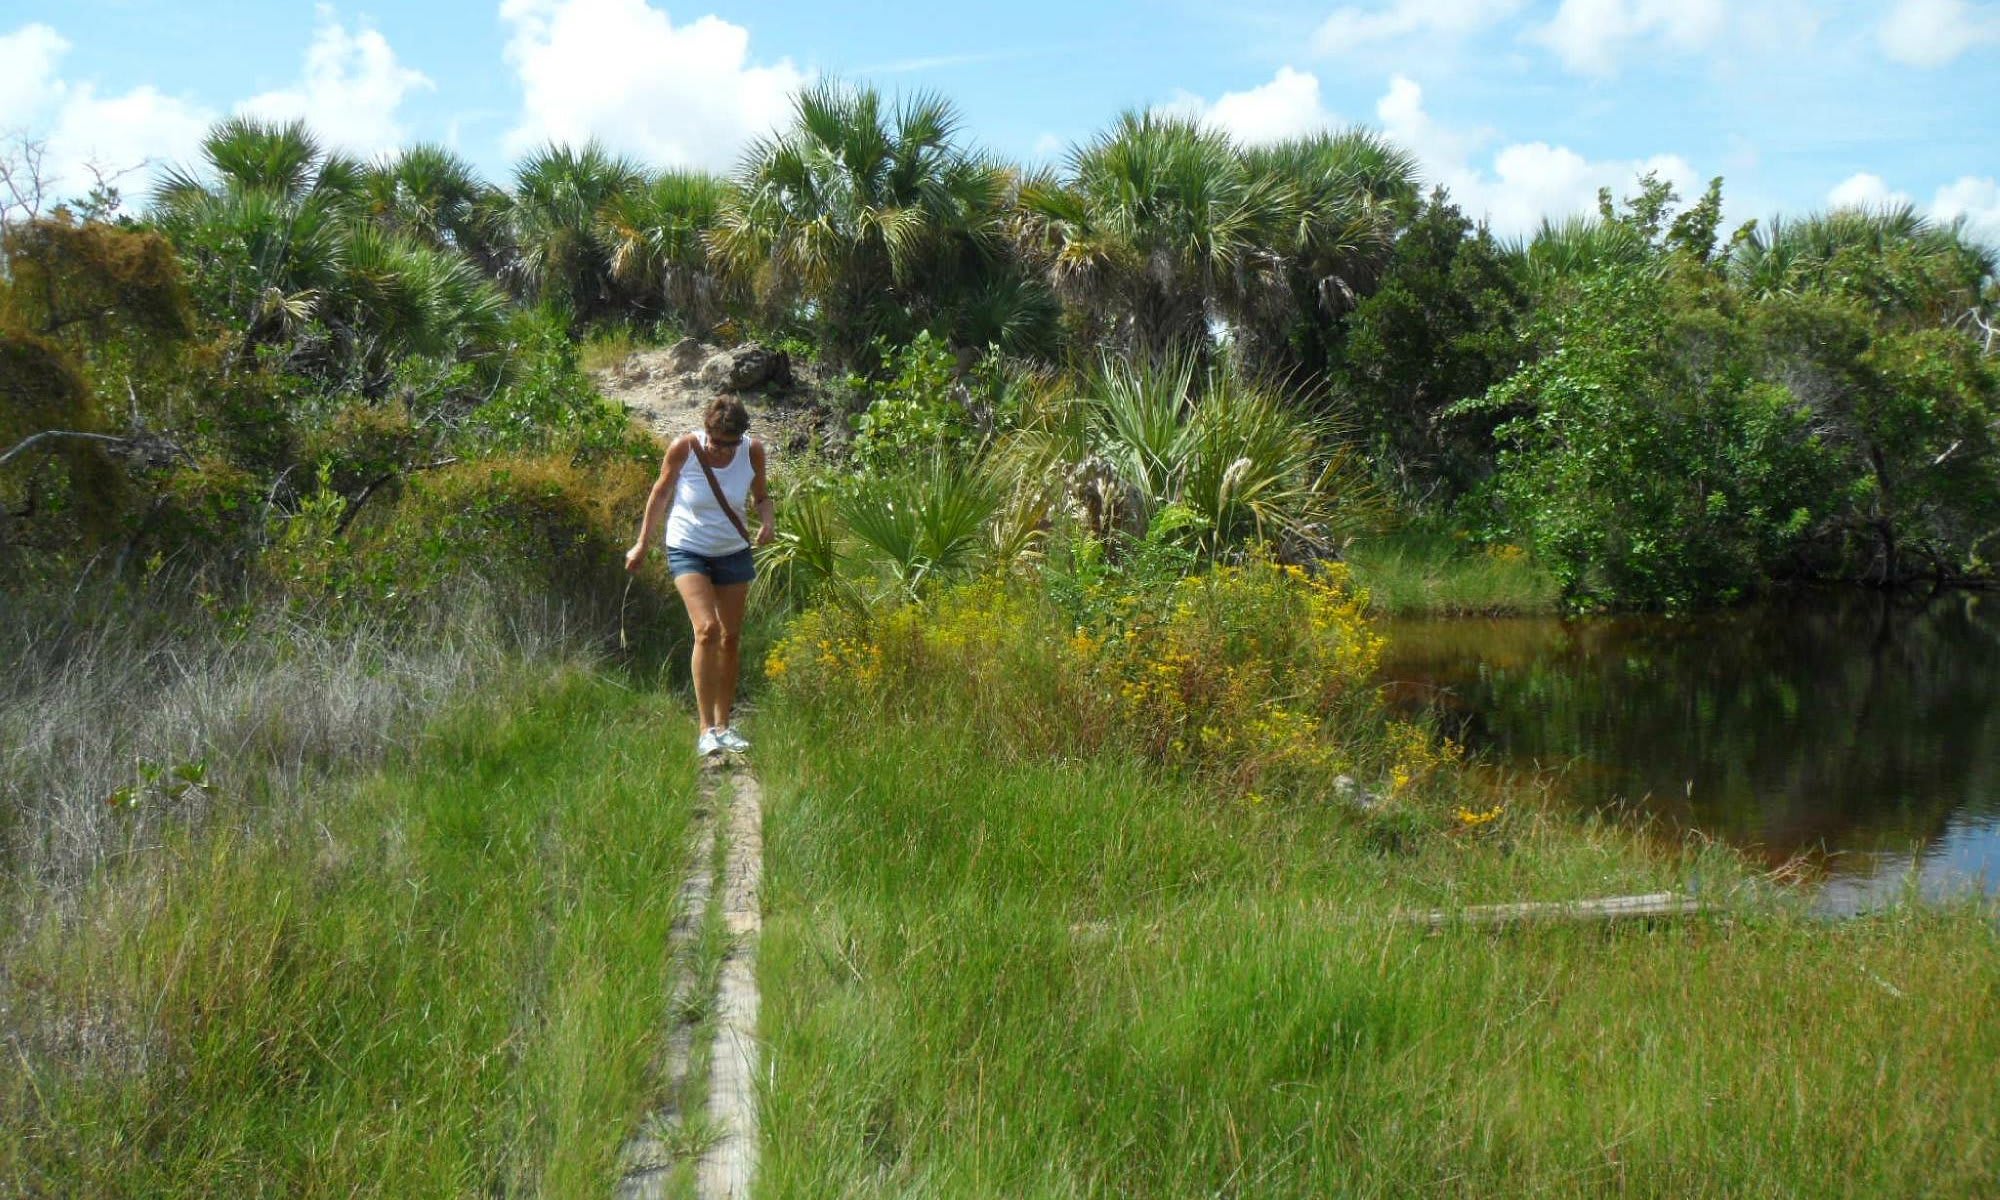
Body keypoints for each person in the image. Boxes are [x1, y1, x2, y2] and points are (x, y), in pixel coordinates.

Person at [626, 396, 776, 756]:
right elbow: (660, 494)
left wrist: (768, 522)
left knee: (730, 637)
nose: (721, 449)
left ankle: (724, 725)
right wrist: (642, 544)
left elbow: (761, 496)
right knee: (707, 629)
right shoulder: (685, 448)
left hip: (732, 550)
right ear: (706, 430)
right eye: (715, 441)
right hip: (687, 547)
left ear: (741, 437)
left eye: (729, 444)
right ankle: (705, 729)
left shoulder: (753, 451)